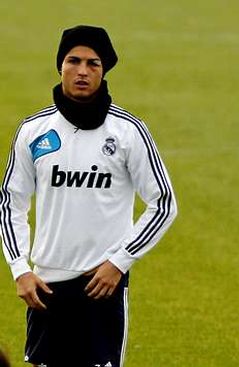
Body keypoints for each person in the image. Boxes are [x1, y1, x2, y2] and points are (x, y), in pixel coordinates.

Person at [0, 25, 177, 367]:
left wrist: (119, 262)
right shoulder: (34, 131)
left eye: (93, 63)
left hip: (102, 287)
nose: (82, 71)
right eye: (73, 61)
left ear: (104, 69)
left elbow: (164, 203)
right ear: (60, 66)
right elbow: (10, 203)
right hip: (46, 287)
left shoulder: (128, 132)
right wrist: (20, 268)